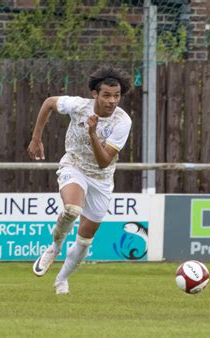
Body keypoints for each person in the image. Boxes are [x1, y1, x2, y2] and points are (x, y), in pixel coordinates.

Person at [27, 65, 132, 294]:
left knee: (85, 241)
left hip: (102, 178)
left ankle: (62, 279)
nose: (112, 101)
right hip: (74, 165)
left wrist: (93, 133)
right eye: (106, 95)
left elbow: (104, 161)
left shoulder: (123, 122)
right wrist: (36, 139)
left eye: (116, 96)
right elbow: (48, 103)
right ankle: (54, 248)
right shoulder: (77, 105)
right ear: (95, 94)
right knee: (72, 209)